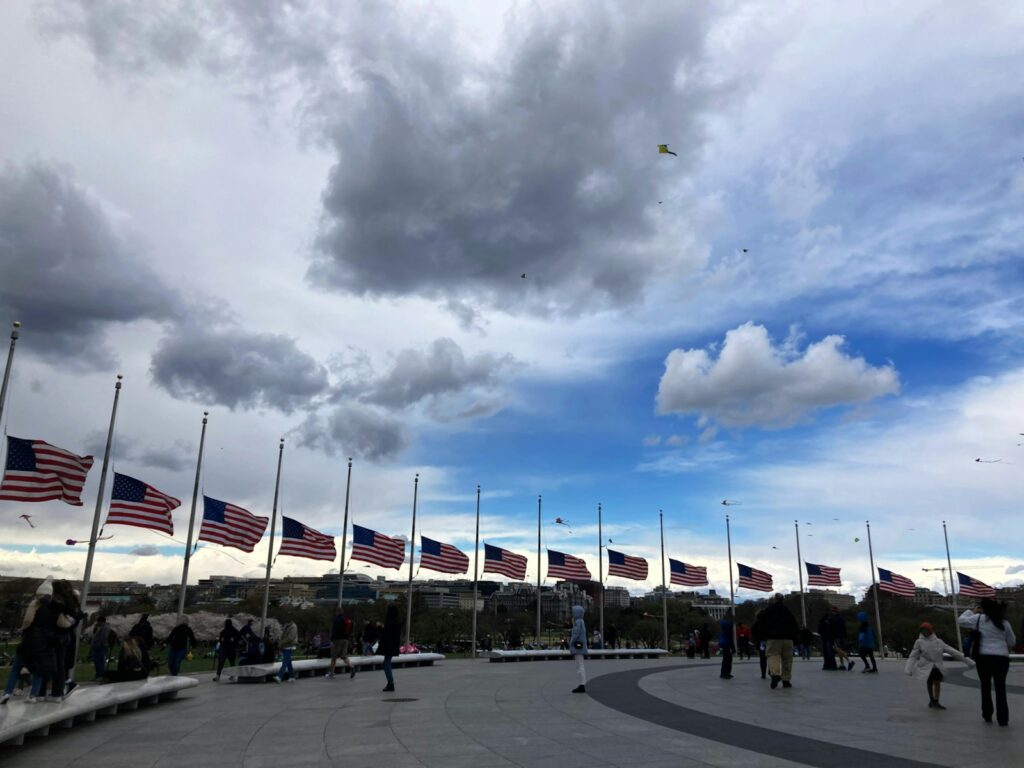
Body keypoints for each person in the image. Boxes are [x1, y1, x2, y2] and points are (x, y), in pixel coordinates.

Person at [959, 599, 1016, 726]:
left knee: (985, 686)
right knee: (1000, 687)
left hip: (983, 657)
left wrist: (972, 611)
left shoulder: (978, 619)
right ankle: (1003, 718)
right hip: (1001, 658)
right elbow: (1012, 642)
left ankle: (987, 714)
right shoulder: (1004, 623)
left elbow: (961, 620)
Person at [906, 622, 972, 710]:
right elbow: (913, 655)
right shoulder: (919, 642)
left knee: (937, 682)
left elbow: (953, 652)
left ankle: (936, 700)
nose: (925, 633)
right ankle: (932, 699)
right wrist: (908, 668)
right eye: (923, 631)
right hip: (926, 665)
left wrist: (968, 661)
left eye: (926, 630)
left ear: (930, 631)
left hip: (937, 666)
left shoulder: (939, 642)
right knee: (929, 682)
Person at [51, 580, 81, 699]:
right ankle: (61, 687)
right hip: (67, 634)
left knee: (59, 662)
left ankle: (63, 686)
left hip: (62, 634)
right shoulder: (73, 601)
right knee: (61, 662)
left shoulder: (61, 602)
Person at [762, 593, 799, 689]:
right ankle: (786, 680)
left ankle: (775, 674)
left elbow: (763, 622)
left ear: (774, 599)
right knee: (787, 659)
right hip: (788, 638)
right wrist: (795, 637)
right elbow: (794, 624)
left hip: (773, 637)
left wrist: (764, 635)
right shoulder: (787, 611)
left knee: (773, 656)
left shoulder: (769, 610)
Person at [379, 605, 403, 692]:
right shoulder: (398, 622)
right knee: (386, 662)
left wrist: (381, 627)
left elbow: (386, 633)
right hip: (394, 645)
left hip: (388, 645)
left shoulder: (389, 622)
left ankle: (390, 683)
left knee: (386, 664)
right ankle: (390, 682)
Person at [328, 608, 356, 679]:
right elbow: (351, 629)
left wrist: (331, 640)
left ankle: (331, 674)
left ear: (337, 612)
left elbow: (334, 630)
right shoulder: (346, 619)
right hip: (345, 640)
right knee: (343, 656)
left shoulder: (336, 620)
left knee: (333, 658)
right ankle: (351, 666)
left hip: (337, 640)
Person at [90, 615, 117, 681]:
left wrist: (100, 643)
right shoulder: (99, 627)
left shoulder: (105, 627)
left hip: (101, 646)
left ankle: (101, 675)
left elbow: (104, 637)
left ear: (101, 621)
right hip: (97, 646)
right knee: (97, 661)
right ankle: (98, 675)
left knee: (100, 661)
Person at [569, 605, 588, 693]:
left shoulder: (578, 622)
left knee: (579, 666)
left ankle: (582, 685)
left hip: (578, 647)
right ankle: (582, 684)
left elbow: (576, 633)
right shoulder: (581, 621)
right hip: (581, 646)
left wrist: (571, 642)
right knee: (581, 665)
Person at [751, 610, 768, 679]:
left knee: (763, 658)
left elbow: (753, 631)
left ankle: (763, 674)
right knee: (771, 656)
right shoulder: (768, 621)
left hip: (761, 641)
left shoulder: (757, 623)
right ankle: (772, 670)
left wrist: (756, 639)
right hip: (769, 640)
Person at [719, 614, 734, 679]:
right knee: (727, 659)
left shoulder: (725, 629)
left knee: (727, 659)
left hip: (725, 644)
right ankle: (725, 673)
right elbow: (730, 639)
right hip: (726, 645)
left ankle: (725, 672)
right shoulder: (728, 629)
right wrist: (732, 647)